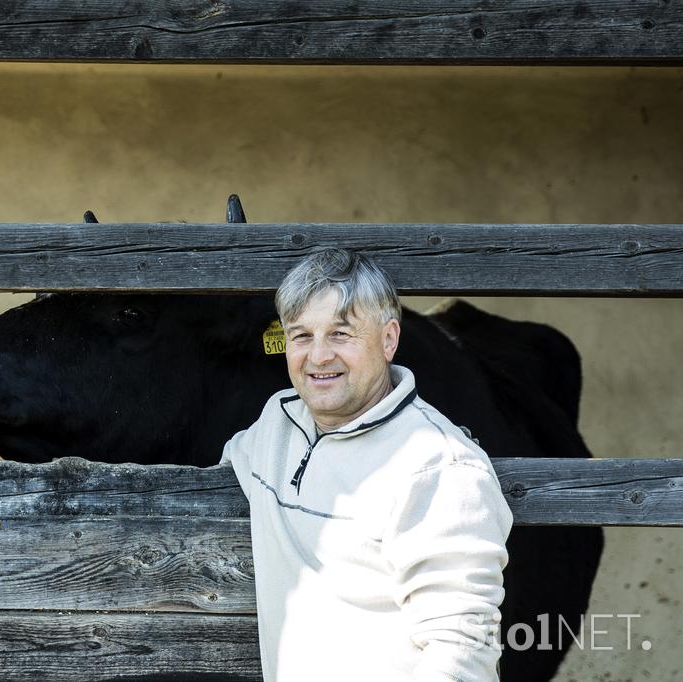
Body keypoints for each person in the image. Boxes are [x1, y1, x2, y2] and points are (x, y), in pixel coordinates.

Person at [220, 248, 513, 681]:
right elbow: (225, 463)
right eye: (301, 336)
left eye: (341, 334)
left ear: (389, 339)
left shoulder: (437, 467)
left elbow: (463, 653)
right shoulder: (276, 425)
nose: (318, 356)